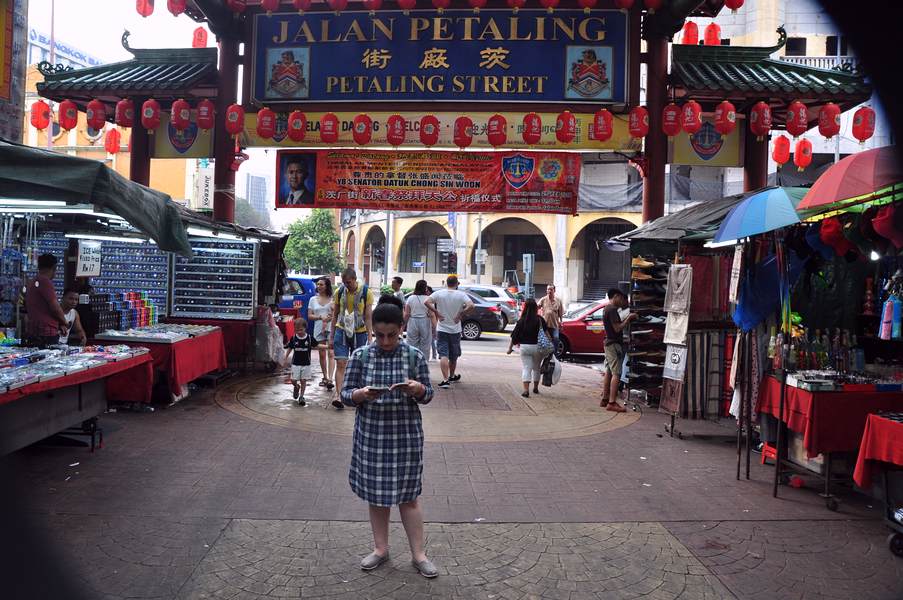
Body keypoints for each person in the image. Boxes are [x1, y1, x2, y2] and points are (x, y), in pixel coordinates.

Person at [340, 300, 437, 578]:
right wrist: (361, 394)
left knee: (409, 497)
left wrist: (417, 388)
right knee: (377, 497)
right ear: (372, 330)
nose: (385, 341)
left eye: (391, 335)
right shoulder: (361, 356)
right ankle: (381, 549)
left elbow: (428, 394)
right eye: (379, 335)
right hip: (371, 437)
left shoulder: (414, 356)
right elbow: (346, 395)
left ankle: (419, 554)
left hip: (405, 437)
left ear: (401, 329)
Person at [329, 268, 373, 410]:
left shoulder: (366, 293)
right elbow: (335, 315)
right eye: (344, 283)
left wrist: (370, 337)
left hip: (359, 332)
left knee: (357, 364)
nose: (346, 285)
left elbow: (368, 316)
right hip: (341, 330)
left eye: (348, 282)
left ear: (354, 279)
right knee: (341, 362)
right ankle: (339, 395)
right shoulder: (339, 292)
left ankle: (356, 395)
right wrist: (331, 335)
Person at [430, 276, 473, 389]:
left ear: (446, 283)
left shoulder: (439, 293)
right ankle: (452, 375)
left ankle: (445, 380)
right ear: (457, 283)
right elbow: (471, 305)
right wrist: (460, 314)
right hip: (455, 329)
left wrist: (436, 312)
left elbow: (426, 302)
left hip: (442, 328)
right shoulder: (461, 295)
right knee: (453, 354)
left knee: (443, 354)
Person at [601, 288, 636, 413]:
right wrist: (628, 318)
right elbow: (617, 328)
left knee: (609, 371)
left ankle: (605, 399)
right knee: (617, 373)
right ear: (616, 296)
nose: (622, 301)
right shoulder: (612, 309)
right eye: (621, 298)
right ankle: (612, 402)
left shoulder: (606, 308)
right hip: (613, 344)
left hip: (609, 344)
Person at [506, 298, 550, 398]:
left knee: (526, 368)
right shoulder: (540, 319)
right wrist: (550, 344)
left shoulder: (522, 320)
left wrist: (509, 349)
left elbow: (514, 336)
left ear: (525, 308)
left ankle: (526, 390)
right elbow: (547, 334)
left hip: (525, 347)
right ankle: (535, 388)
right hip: (538, 347)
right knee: (536, 368)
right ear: (535, 308)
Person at [25, 254, 69, 347]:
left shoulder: (32, 282)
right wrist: (64, 322)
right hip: (46, 333)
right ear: (54, 267)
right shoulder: (45, 281)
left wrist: (60, 323)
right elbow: (55, 307)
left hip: (34, 331)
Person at [308, 277, 335, 390]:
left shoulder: (333, 299)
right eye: (318, 284)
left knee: (331, 352)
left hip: (331, 328)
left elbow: (337, 314)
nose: (318, 286)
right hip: (318, 328)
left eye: (321, 284)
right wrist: (320, 317)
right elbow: (309, 316)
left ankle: (330, 379)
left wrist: (331, 317)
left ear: (327, 286)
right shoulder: (313, 299)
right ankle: (325, 376)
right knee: (322, 353)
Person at [404, 280, 440, 360]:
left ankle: (411, 362)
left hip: (413, 322)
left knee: (411, 344)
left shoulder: (410, 298)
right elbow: (432, 315)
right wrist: (435, 328)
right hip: (425, 322)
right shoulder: (428, 299)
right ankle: (423, 363)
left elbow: (406, 314)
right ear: (425, 288)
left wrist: (402, 325)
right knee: (425, 345)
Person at [284, 317, 315, 406]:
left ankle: (302, 396)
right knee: (293, 380)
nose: (299, 332)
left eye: (301, 330)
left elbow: (317, 345)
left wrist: (328, 347)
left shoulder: (309, 338)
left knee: (303, 380)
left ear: (305, 328)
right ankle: (296, 387)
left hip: (306, 364)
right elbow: (290, 347)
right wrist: (286, 356)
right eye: (296, 330)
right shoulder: (293, 338)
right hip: (295, 363)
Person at [425, 285, 439, 361]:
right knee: (431, 340)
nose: (425, 292)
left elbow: (433, 314)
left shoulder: (431, 301)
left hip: (431, 323)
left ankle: (434, 355)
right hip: (430, 323)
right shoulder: (430, 300)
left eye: (427, 291)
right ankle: (434, 355)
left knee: (432, 340)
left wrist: (434, 325)